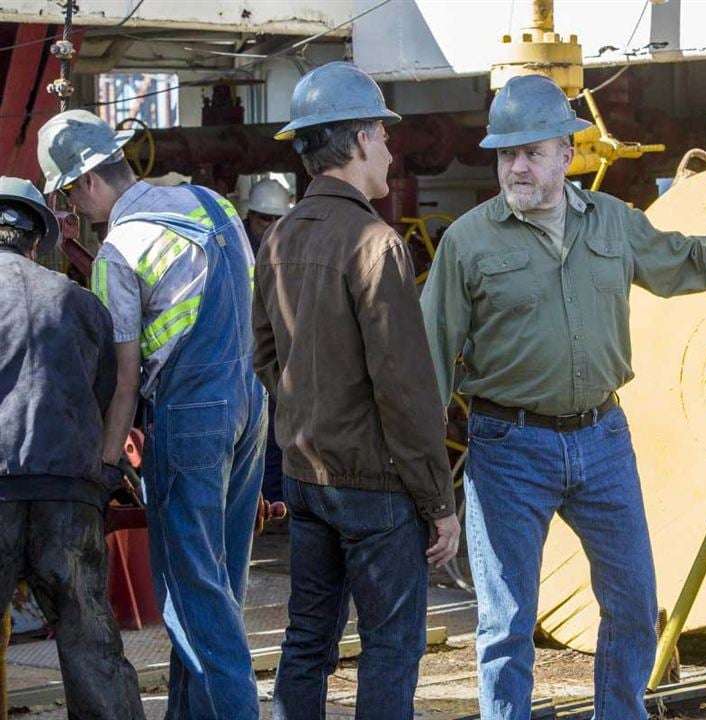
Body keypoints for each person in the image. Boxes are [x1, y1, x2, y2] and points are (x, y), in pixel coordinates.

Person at [420, 73, 706, 720]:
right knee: (506, 624)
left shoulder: (613, 224)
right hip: (509, 449)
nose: (517, 167)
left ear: (567, 152)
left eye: (532, 151)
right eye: (507, 154)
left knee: (635, 605)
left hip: (601, 440)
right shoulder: (468, 243)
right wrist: (428, 488)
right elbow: (430, 363)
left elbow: (687, 261)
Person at [37, 109, 267, 719]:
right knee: (219, 588)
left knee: (192, 596)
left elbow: (125, 383)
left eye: (69, 195)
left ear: (86, 181)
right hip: (249, 404)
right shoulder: (210, 206)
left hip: (192, 416)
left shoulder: (118, 251)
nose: (76, 211)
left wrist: (106, 466)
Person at [255, 61, 460, 720]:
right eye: (385, 134)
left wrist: (303, 415)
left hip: (308, 477)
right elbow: (405, 389)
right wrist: (439, 500)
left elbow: (264, 355)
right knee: (392, 647)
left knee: (307, 640)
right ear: (362, 138)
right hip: (375, 487)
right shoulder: (375, 243)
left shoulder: (280, 236)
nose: (392, 149)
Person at [0, 176, 144, 719]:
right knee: (90, 638)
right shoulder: (79, 302)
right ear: (38, 240)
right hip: (69, 493)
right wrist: (103, 476)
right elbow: (110, 396)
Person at [244, 178, 291, 503]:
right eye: (264, 219)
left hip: (279, 357)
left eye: (276, 219)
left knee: (277, 435)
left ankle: (276, 504)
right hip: (243, 358)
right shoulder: (238, 250)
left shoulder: (293, 249)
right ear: (250, 217)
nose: (270, 226)